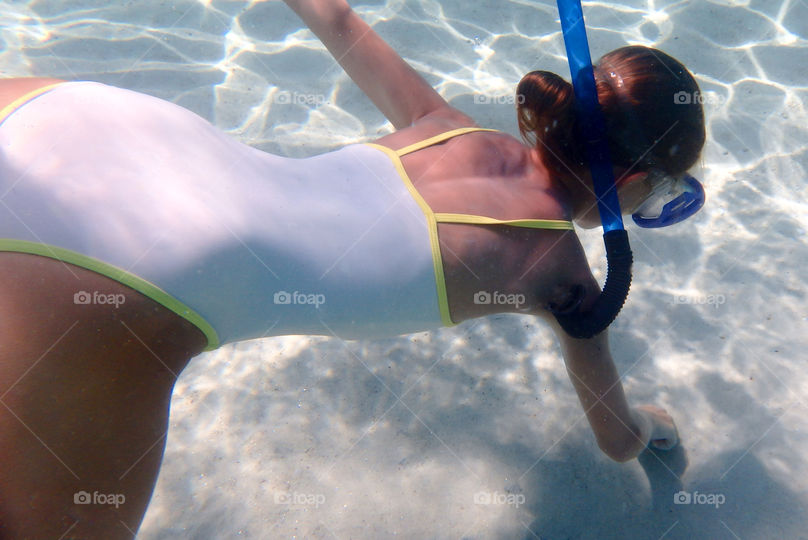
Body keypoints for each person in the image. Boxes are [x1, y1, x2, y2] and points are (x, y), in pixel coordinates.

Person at [0, 0, 705, 536]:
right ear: (637, 187)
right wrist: (657, 428)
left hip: (88, 122)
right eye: (669, 194)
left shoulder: (447, 124)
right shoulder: (568, 283)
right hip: (145, 269)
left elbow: (333, 15)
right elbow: (615, 439)